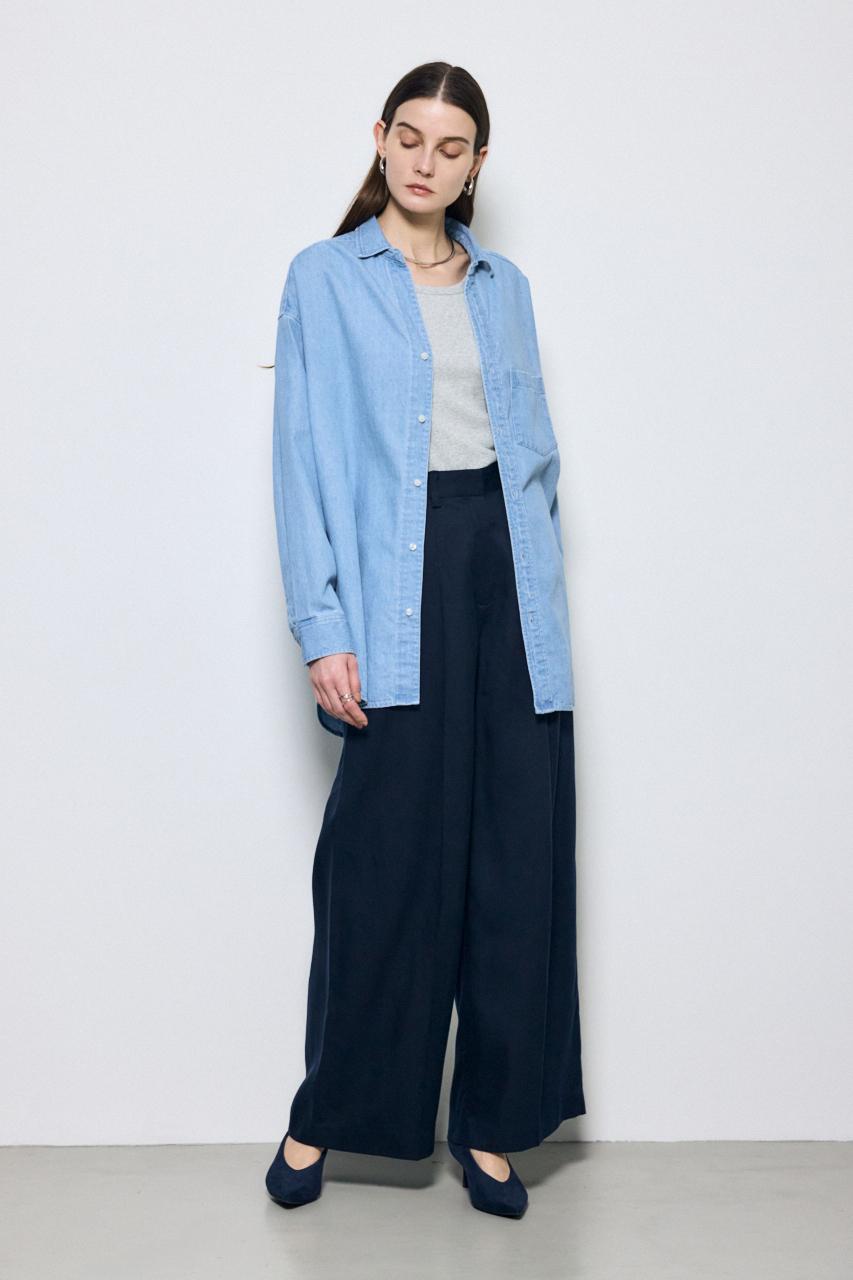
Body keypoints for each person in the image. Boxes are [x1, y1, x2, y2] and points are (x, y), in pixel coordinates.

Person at [265, 61, 585, 1219]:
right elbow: (300, 462)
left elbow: (534, 459)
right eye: (409, 137)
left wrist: (536, 598)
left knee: (515, 862)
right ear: (380, 137)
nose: (424, 161)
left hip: (510, 579)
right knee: (382, 864)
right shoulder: (324, 276)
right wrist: (324, 626)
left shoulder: (505, 286)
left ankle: (490, 1124)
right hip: (396, 583)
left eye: (451, 147)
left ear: (475, 164)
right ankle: (328, 1110)